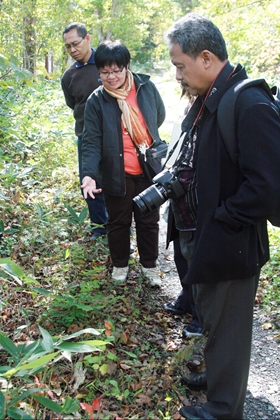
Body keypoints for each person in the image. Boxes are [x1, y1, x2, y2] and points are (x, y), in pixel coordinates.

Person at [165, 12, 280, 420]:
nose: (177, 75)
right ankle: (218, 377)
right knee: (212, 314)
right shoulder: (209, 99)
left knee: (230, 324)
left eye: (180, 65)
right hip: (207, 234)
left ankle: (223, 408)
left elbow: (268, 186)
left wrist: (224, 216)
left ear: (208, 58)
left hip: (231, 238)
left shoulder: (248, 102)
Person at [81, 40, 165, 286]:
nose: (112, 77)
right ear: (99, 72)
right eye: (105, 72)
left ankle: (149, 265)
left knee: (149, 220)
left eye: (117, 70)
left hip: (148, 168)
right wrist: (89, 174)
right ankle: (120, 265)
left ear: (127, 67)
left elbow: (158, 116)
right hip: (117, 171)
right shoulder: (97, 101)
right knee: (118, 221)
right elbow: (91, 141)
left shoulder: (146, 88)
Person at [61, 22, 107, 240]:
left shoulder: (107, 64)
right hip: (86, 137)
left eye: (75, 44)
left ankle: (120, 225)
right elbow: (74, 104)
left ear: (88, 39)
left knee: (116, 182)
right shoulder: (68, 76)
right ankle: (99, 228)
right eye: (68, 46)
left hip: (113, 135)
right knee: (89, 182)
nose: (72, 50)